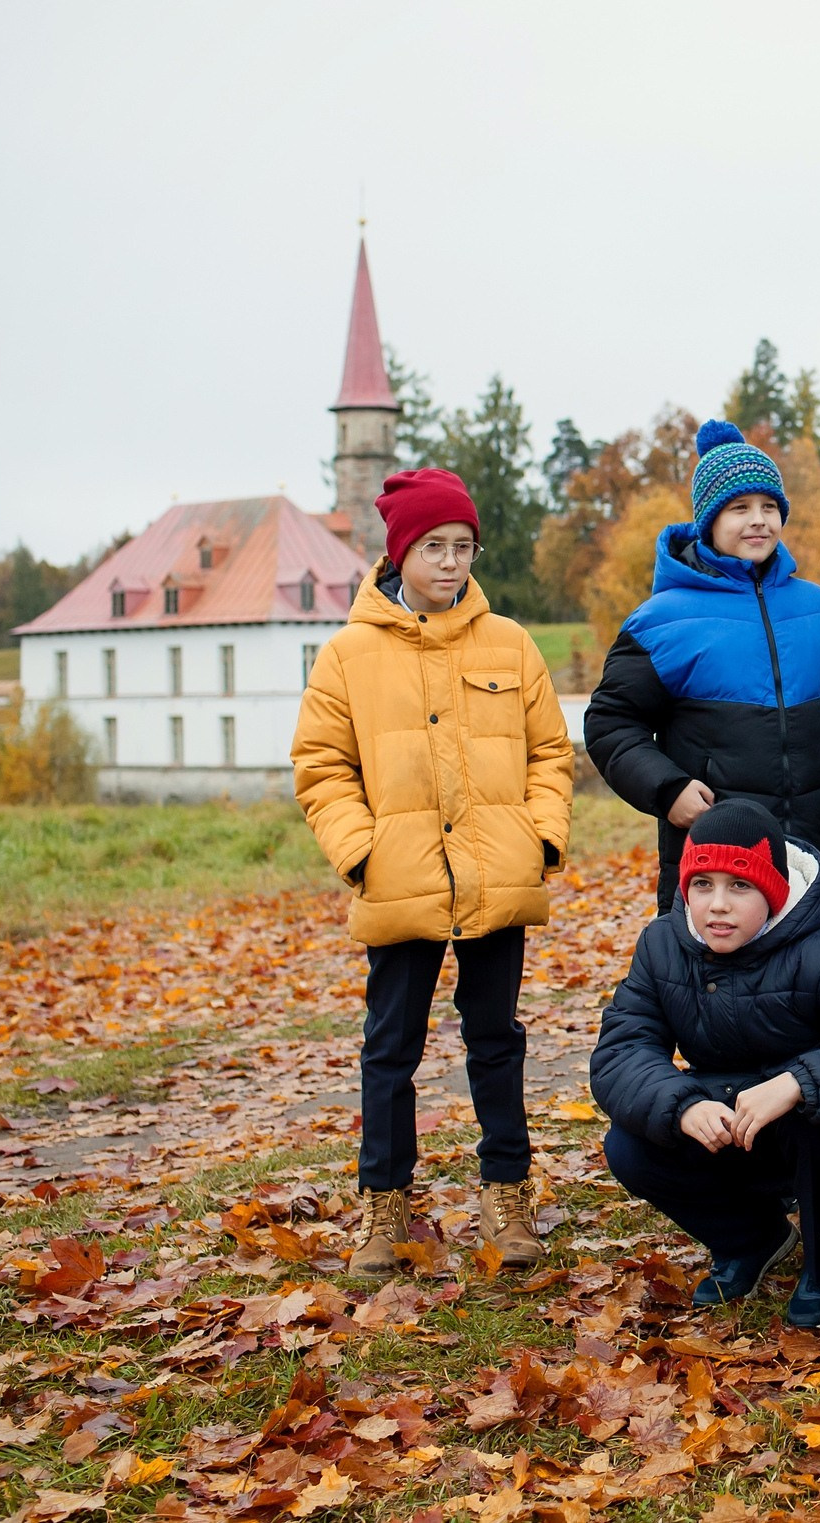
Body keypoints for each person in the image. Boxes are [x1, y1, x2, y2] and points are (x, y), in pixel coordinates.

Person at [291, 467, 577, 1278]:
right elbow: (321, 765)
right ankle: (385, 1208)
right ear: (399, 553)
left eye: (463, 546)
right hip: (401, 880)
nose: (451, 562)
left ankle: (507, 1197)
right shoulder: (348, 655)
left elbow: (551, 753)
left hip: (496, 876)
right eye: (434, 547)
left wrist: (539, 839)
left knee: (497, 1040)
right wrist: (362, 851)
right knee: (391, 1048)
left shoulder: (510, 644)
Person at [592, 802, 820, 1327]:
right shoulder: (662, 945)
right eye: (702, 885)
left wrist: (797, 1082)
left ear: (772, 890)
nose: (718, 905)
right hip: (723, 1120)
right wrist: (682, 1105)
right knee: (628, 1145)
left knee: (819, 1118)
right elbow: (621, 1050)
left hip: (808, 1136)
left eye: (740, 886)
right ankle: (749, 1239)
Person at [586, 421, 820, 912]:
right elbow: (611, 724)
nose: (758, 520)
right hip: (714, 876)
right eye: (740, 508)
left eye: (769, 506)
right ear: (709, 520)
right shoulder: (661, 623)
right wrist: (669, 789)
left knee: (818, 963)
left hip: (814, 867)